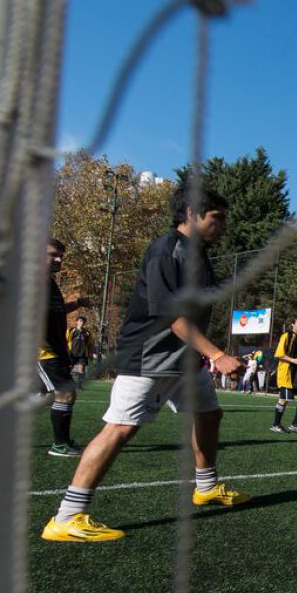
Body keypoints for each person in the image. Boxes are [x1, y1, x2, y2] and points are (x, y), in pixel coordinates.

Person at [42, 186, 249, 543]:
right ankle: (66, 517)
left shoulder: (198, 255)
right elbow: (172, 317)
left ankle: (206, 487)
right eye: (217, 218)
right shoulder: (165, 252)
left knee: (209, 414)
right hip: (149, 358)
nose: (224, 226)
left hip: (184, 359)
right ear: (190, 214)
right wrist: (217, 354)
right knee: (119, 429)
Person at [38, 239, 93, 457]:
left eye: (61, 255)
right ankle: (60, 445)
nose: (59, 260)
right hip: (45, 350)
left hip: (56, 349)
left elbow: (57, 311)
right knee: (66, 392)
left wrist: (78, 303)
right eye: (53, 254)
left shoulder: (48, 282)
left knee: (42, 396)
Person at [271, 317, 297, 433]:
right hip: (287, 372)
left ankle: (295, 424)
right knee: (284, 399)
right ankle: (276, 424)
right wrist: (293, 361)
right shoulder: (287, 336)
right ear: (293, 324)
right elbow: (279, 355)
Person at [66, 314, 93, 388]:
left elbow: (90, 343)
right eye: (80, 321)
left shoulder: (87, 332)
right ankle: (68, 383)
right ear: (77, 322)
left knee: (81, 370)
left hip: (82, 354)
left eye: (83, 321)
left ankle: (79, 384)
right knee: (69, 368)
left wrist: (90, 353)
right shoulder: (71, 330)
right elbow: (66, 340)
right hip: (72, 353)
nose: (82, 322)